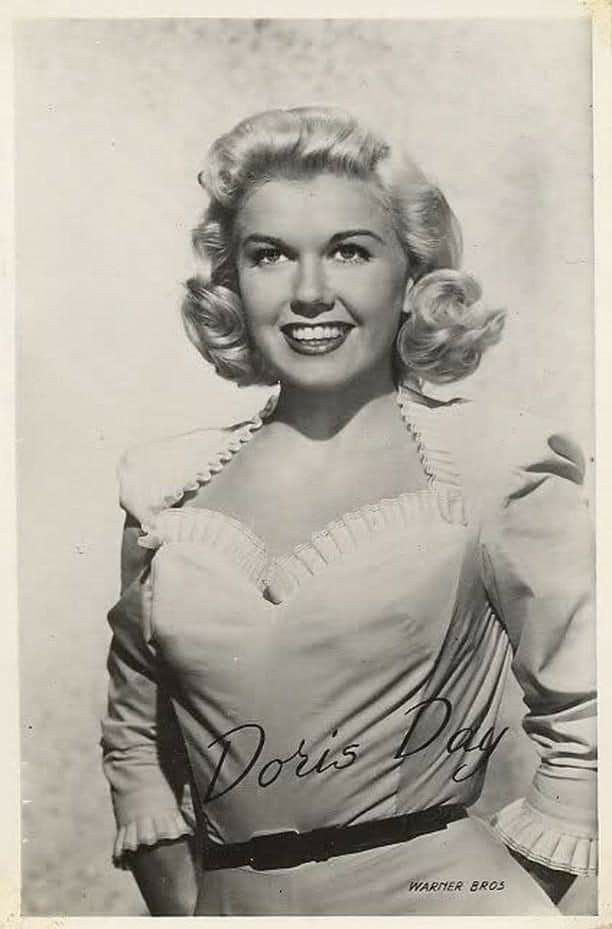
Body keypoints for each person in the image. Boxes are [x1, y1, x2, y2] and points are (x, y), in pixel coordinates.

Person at [100, 107, 597, 916]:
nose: (308, 293)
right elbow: (133, 736)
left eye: (349, 251)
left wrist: (509, 896)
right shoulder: (165, 486)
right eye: (270, 255)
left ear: (413, 276)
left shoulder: (494, 463)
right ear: (233, 279)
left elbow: (590, 710)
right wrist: (186, 900)